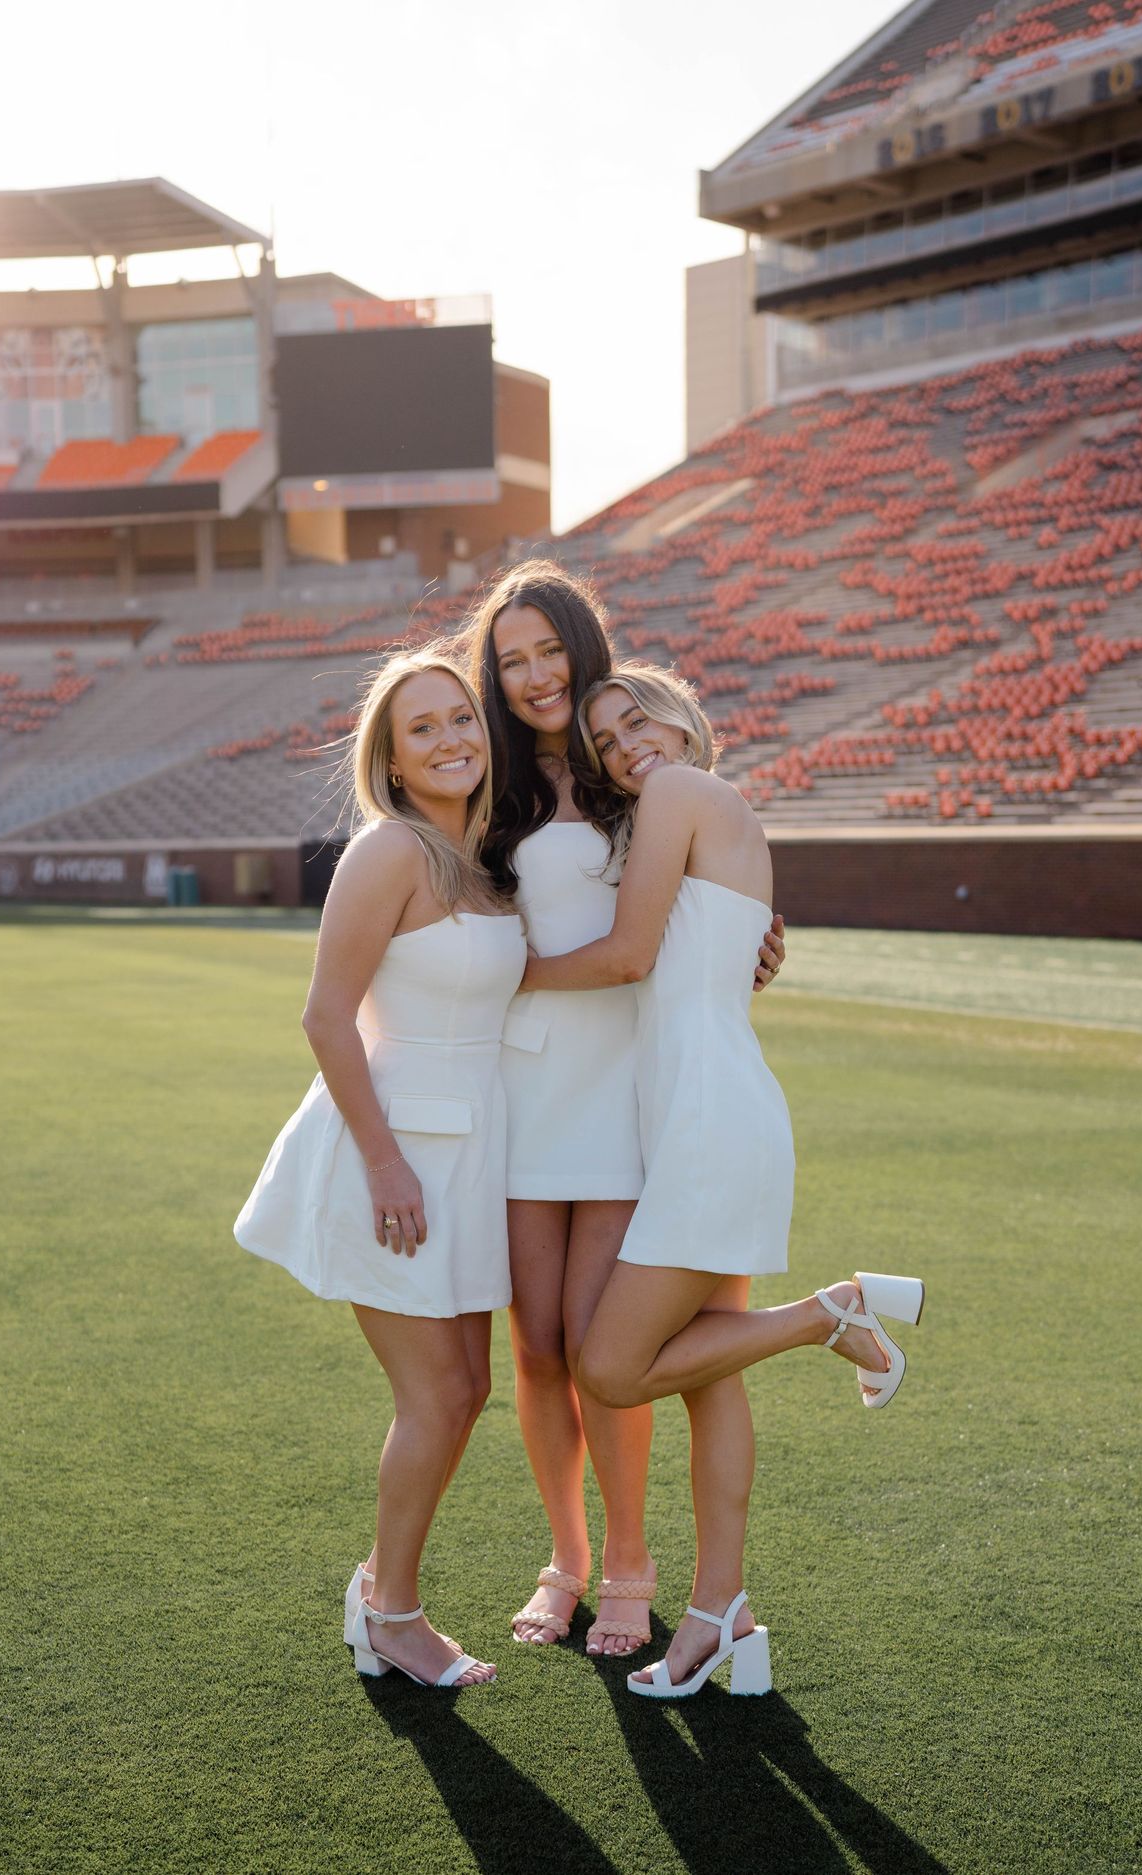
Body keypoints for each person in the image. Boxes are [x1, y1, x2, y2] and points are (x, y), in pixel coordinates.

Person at [518, 662, 926, 1699]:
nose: (624, 745)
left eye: (637, 718)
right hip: (699, 1117)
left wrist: (493, 979)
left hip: (706, 1125)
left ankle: (827, 1314)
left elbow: (627, 956)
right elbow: (701, 957)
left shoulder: (680, 794)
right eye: (606, 739)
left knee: (610, 1367)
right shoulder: (698, 810)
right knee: (706, 1378)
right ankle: (720, 1614)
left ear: (685, 719)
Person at [463, 562, 786, 1659]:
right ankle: (566, 1562)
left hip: (625, 1083)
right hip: (521, 1078)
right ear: (495, 679)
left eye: (550, 650)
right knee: (540, 1347)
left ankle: (633, 1569)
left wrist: (756, 939)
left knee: (605, 1339)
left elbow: (691, 913)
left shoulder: (637, 777)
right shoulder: (487, 791)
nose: (536, 674)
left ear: (584, 652)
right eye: (512, 661)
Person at [235, 648, 525, 1690]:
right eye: (425, 729)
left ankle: (380, 1591)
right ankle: (391, 1614)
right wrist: (385, 1163)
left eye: (463, 719)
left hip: (468, 1153)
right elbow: (325, 1018)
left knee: (469, 1387)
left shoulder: (489, 861)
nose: (452, 739)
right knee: (436, 1395)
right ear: (393, 762)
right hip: (390, 1154)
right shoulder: (389, 853)